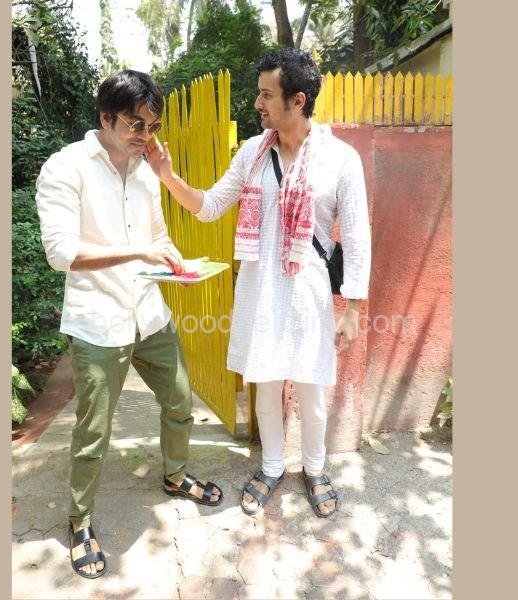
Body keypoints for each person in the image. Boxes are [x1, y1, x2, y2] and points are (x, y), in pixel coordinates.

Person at [145, 48, 371, 518]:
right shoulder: (252, 152)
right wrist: (168, 177)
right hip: (259, 289)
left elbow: (356, 235)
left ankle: (315, 469)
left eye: (267, 95)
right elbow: (209, 206)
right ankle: (271, 467)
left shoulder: (340, 159)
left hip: (308, 293)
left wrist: (353, 309)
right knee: (265, 388)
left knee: (311, 390)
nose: (257, 103)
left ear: (297, 100)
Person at [35, 69, 223, 579]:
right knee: (93, 430)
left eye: (152, 126)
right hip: (98, 321)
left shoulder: (144, 171)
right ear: (105, 118)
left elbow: (157, 236)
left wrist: (177, 265)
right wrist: (138, 251)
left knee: (180, 401)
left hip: (149, 312)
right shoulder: (66, 167)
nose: (145, 135)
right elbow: (61, 253)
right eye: (135, 124)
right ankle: (80, 521)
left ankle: (175, 475)